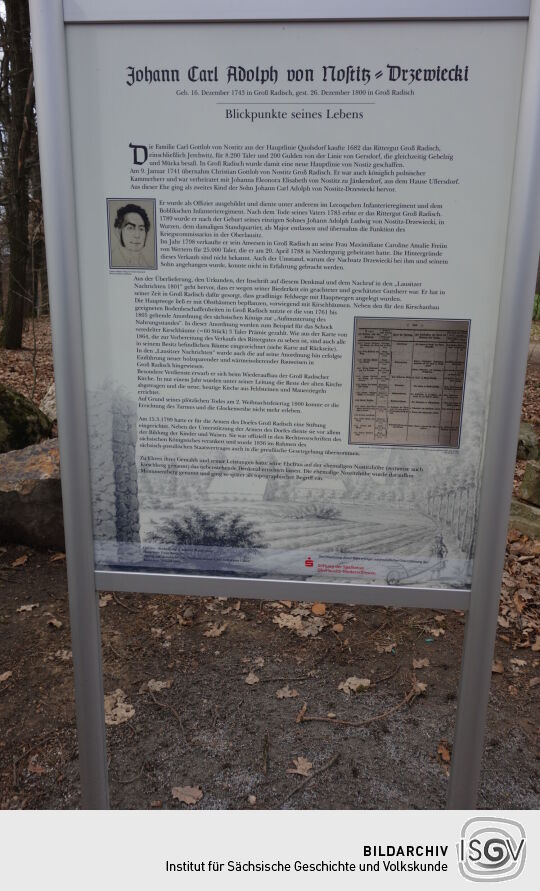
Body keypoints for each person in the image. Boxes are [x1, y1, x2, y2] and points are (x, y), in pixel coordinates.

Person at [110, 203, 154, 268]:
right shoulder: (113, 259)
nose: (137, 235)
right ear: (118, 232)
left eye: (141, 229)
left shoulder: (144, 262)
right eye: (130, 228)